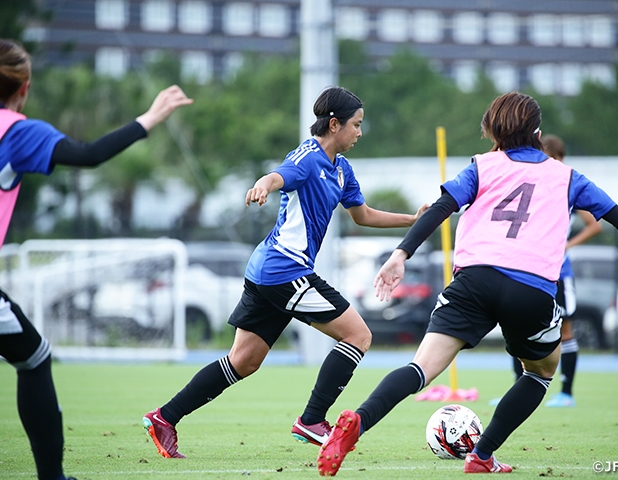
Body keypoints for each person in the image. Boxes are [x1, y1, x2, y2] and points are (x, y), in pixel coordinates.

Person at [317, 91, 618, 476]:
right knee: (539, 371)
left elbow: (440, 209)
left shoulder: (482, 166)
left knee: (421, 367)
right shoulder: (565, 175)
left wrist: (401, 254)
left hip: (473, 280)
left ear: (493, 130)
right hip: (530, 288)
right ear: (537, 131)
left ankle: (360, 420)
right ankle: (481, 456)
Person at [142, 86, 428, 459]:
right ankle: (312, 420)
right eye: (356, 125)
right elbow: (278, 176)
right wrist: (262, 185)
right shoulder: (308, 156)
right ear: (334, 123)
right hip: (283, 270)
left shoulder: (341, 169)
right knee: (358, 335)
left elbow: (363, 215)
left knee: (244, 361)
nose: (360, 132)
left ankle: (165, 417)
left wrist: (414, 220)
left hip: (267, 272)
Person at [0, 38, 192, 480]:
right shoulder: (16, 131)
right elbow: (88, 155)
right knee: (34, 360)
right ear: (24, 87)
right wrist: (150, 118)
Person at [498, 134, 603, 408]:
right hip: (529, 270)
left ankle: (566, 392)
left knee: (565, 331)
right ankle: (515, 390)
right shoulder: (535, 186)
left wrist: (567, 244)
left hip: (559, 273)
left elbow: (594, 225)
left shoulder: (567, 184)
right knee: (517, 328)